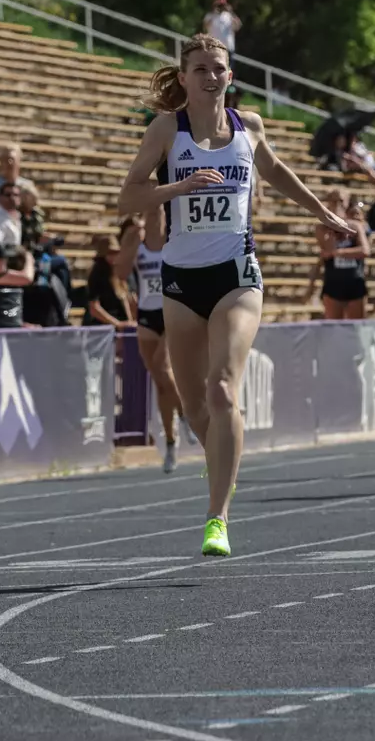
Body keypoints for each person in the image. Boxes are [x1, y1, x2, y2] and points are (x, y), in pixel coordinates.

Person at [120, 33, 350, 556]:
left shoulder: (250, 127)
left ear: (231, 75)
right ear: (183, 78)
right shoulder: (166, 130)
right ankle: (224, 464)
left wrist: (320, 211)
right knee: (195, 405)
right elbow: (125, 199)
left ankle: (216, 516)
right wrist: (177, 188)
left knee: (223, 389)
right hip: (179, 280)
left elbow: (275, 169)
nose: (209, 76)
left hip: (236, 274)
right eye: (198, 68)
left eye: (217, 68)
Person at [119, 207, 184, 472]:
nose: (156, 216)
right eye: (151, 210)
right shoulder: (139, 239)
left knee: (163, 367)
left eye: (159, 210)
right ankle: (170, 440)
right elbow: (121, 274)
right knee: (159, 381)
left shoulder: (175, 237)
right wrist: (130, 242)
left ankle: (187, 414)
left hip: (172, 311)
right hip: (147, 312)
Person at [310, 187, 369, 320]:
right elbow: (328, 249)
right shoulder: (321, 227)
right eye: (334, 201)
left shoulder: (355, 226)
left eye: (341, 201)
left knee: (356, 327)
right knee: (334, 327)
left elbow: (364, 250)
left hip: (354, 281)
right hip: (333, 283)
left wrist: (339, 252)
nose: (338, 205)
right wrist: (333, 223)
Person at [86, 233, 135, 330]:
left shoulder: (119, 272)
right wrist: (117, 324)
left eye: (115, 253)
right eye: (110, 253)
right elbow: (94, 307)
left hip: (119, 324)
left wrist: (129, 322)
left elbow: (124, 298)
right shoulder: (97, 274)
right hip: (103, 328)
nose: (114, 256)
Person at [0, 143, 31, 211]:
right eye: (6, 159)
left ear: (19, 161)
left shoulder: (28, 187)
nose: (9, 162)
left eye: (12, 159)